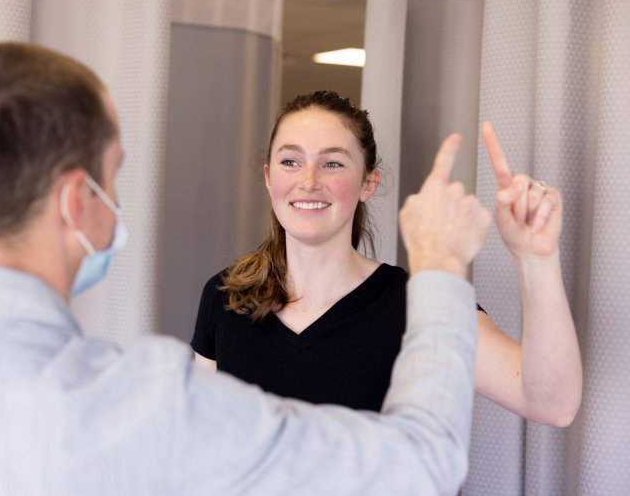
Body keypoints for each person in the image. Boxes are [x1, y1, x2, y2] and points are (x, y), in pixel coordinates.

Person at [0, 42, 490, 495]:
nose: (115, 204)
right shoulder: (146, 404)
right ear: (75, 201)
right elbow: (419, 468)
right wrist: (437, 267)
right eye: (112, 178)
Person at [192, 91, 582, 427]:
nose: (308, 180)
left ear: (368, 183)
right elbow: (200, 439)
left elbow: (551, 404)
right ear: (267, 176)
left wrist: (535, 257)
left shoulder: (419, 305)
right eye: (290, 161)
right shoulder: (225, 297)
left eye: (333, 163)